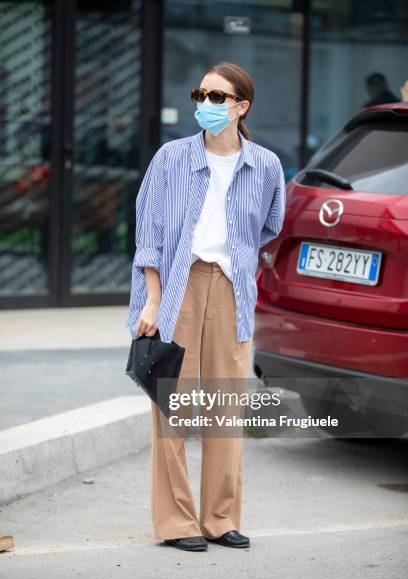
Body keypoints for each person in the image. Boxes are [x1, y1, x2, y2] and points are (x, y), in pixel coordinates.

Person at [125, 61, 286, 552]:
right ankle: (177, 522)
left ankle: (220, 518)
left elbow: (269, 227)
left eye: (218, 98)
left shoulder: (266, 166)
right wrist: (151, 301)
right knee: (171, 407)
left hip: (233, 289)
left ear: (241, 107)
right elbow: (148, 237)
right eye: (202, 94)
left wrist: (235, 266)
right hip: (178, 286)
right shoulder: (170, 159)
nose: (206, 105)